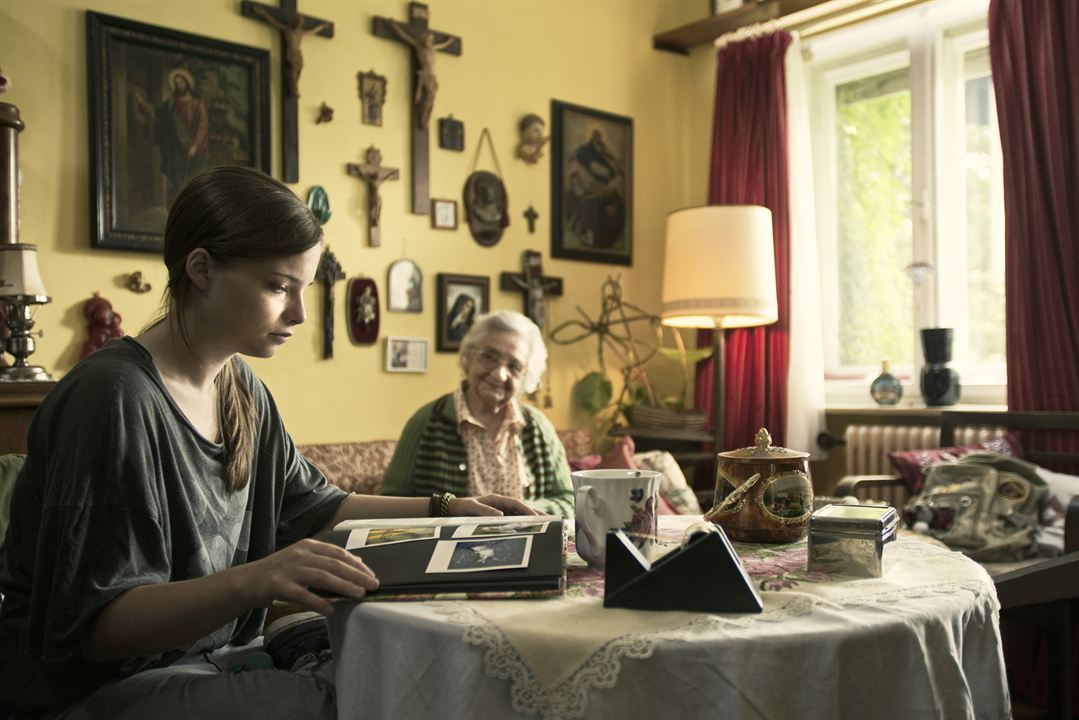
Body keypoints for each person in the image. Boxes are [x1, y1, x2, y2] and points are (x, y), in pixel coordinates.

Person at [0, 166, 533, 719]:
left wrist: (446, 510)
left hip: (212, 659)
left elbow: (317, 508)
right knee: (364, 700)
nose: (299, 313)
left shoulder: (242, 388)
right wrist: (256, 580)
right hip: (90, 692)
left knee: (404, 674)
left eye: (303, 289)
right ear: (201, 268)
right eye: (279, 287)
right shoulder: (113, 397)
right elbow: (97, 630)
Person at [382, 310, 574, 517]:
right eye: (489, 357)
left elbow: (569, 501)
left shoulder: (537, 426)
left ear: (527, 376)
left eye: (514, 366)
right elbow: (390, 502)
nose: (500, 374)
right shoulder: (427, 422)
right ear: (469, 356)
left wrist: (520, 512)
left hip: (529, 547)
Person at [134, 68, 209, 207]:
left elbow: (203, 126)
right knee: (175, 180)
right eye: (176, 83)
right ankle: (176, 208)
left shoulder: (197, 103)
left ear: (187, 83)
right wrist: (142, 104)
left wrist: (195, 145)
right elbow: (157, 112)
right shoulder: (171, 103)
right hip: (174, 148)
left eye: (181, 82)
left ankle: (191, 208)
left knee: (191, 179)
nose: (179, 85)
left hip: (191, 147)